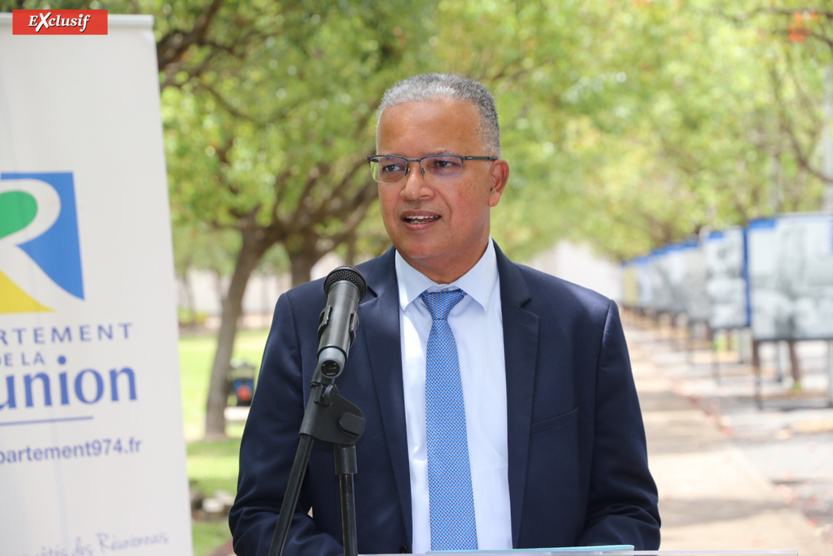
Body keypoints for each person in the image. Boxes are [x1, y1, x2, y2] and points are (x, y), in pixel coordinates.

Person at [229, 73, 661, 555]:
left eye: (441, 164)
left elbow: (627, 511)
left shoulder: (582, 325)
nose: (413, 188)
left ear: (495, 181)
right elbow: (263, 513)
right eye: (392, 167)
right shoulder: (314, 320)